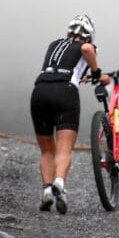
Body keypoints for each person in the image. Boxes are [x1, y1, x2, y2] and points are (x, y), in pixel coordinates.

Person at [30, 14, 111, 214]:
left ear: (68, 32)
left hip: (40, 90)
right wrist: (97, 72)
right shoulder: (87, 45)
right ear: (89, 36)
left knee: (47, 149)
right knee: (64, 148)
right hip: (65, 91)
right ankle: (59, 183)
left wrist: (89, 75)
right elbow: (86, 49)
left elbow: (68, 65)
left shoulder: (54, 44)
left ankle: (47, 191)